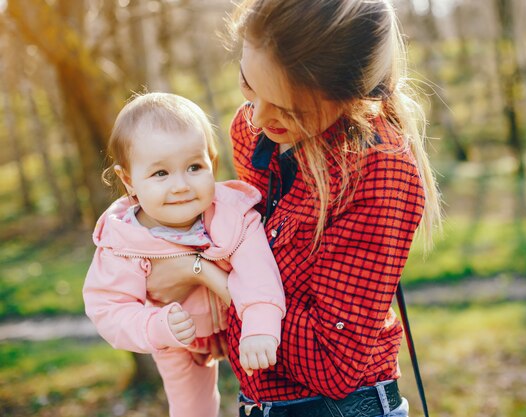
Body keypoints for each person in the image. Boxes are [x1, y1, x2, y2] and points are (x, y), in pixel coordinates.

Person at [146, 1, 443, 416]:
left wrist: (205, 277)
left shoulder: (378, 171)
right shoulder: (254, 134)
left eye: (290, 109)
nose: (258, 117)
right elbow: (249, 251)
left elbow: (332, 364)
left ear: (351, 96)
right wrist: (213, 319)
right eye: (249, 85)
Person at [83, 92, 286, 417]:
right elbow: (107, 308)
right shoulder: (122, 242)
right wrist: (156, 326)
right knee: (192, 409)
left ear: (213, 164)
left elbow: (258, 271)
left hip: (240, 324)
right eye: (160, 174)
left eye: (194, 167)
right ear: (128, 180)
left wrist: (260, 324)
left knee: (272, 387)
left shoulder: (231, 214)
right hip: (177, 339)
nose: (180, 186)